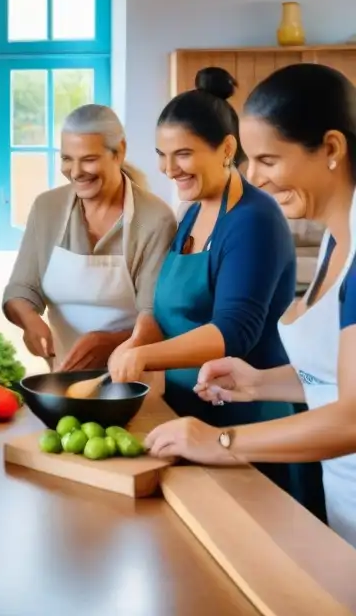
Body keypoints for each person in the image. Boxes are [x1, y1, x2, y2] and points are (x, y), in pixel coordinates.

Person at [147, 63, 356, 545]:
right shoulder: (332, 240)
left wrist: (221, 442)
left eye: (268, 160)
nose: (254, 177)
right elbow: (332, 380)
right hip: (341, 500)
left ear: (330, 148)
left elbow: (351, 415)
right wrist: (261, 382)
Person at [108, 69, 318, 507]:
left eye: (182, 154)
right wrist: (141, 334)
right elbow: (171, 308)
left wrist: (144, 357)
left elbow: (233, 332)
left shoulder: (253, 220)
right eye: (161, 155)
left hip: (249, 423)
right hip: (189, 415)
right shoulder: (191, 210)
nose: (168, 169)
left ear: (226, 148)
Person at [2, 105, 177, 370]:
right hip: (63, 380)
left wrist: (111, 343)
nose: (75, 171)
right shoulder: (46, 208)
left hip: (133, 381)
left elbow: (157, 316)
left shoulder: (155, 219)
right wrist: (29, 319)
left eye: (88, 159)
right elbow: (21, 289)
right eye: (67, 159)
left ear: (119, 152)